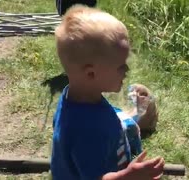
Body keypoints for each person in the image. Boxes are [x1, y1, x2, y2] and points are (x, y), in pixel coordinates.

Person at [51, 5, 165, 180]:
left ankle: (136, 118)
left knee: (122, 121)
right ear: (91, 73)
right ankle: (139, 117)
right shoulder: (87, 130)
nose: (126, 70)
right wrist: (129, 176)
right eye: (121, 66)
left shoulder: (75, 98)